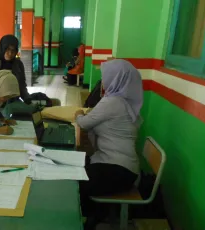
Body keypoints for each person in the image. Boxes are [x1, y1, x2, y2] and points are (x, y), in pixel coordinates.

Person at [74, 59, 143, 229]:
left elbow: (83, 123)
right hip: (125, 168)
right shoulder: (123, 101)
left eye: (105, 77)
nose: (103, 81)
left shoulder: (112, 102)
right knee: (77, 167)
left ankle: (89, 219)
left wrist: (78, 114)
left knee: (75, 181)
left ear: (116, 79)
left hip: (118, 170)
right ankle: (96, 214)